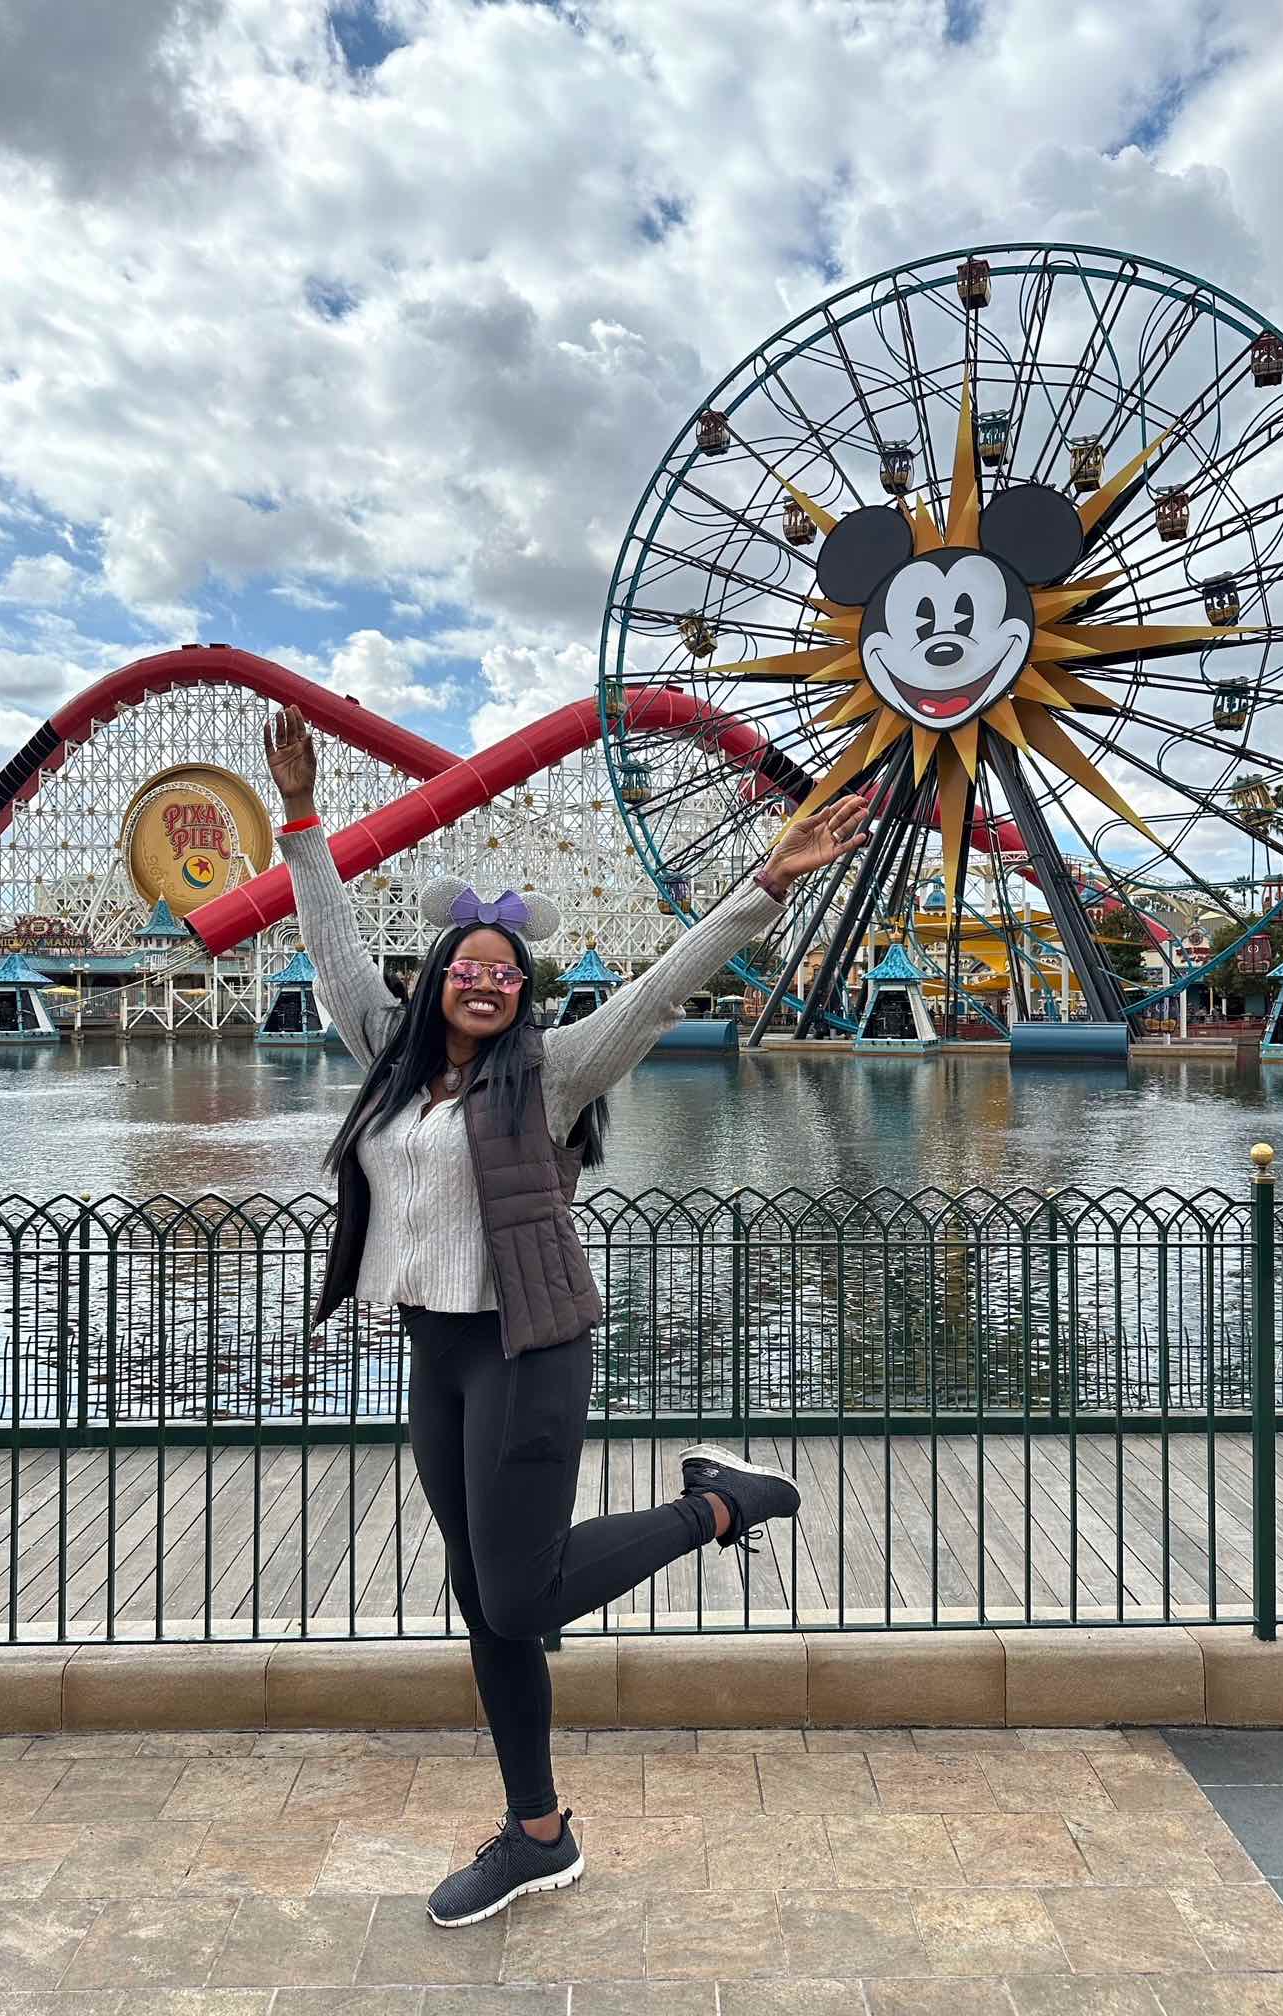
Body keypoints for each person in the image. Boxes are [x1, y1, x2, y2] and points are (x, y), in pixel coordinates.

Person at [264, 703, 867, 1927]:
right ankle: (536, 1833)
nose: (485, 983)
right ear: (434, 983)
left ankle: (721, 1503)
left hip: (529, 1346)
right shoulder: (385, 1056)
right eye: (467, 970)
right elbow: (330, 956)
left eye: (507, 975)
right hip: (433, 1349)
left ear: (521, 997)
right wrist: (303, 824)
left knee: (524, 1595)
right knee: (484, 1602)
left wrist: (766, 885)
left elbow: (656, 990)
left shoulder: (556, 1072)